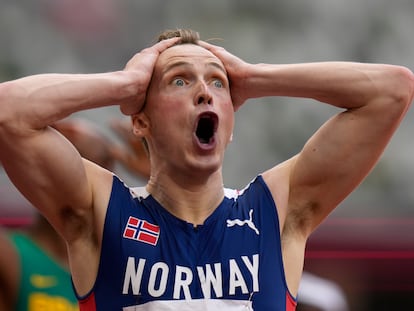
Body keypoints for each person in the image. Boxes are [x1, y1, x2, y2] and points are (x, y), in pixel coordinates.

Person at [0, 29, 412, 311]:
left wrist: (252, 77)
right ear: (140, 122)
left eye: (217, 83)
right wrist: (125, 85)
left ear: (231, 122)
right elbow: (9, 112)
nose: (203, 92)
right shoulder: (102, 210)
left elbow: (392, 90)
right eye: (179, 81)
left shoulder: (276, 211)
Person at [0, 118, 144, 311]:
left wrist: (161, 177)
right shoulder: (10, 257)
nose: (68, 175)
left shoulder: (133, 268)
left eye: (86, 165)